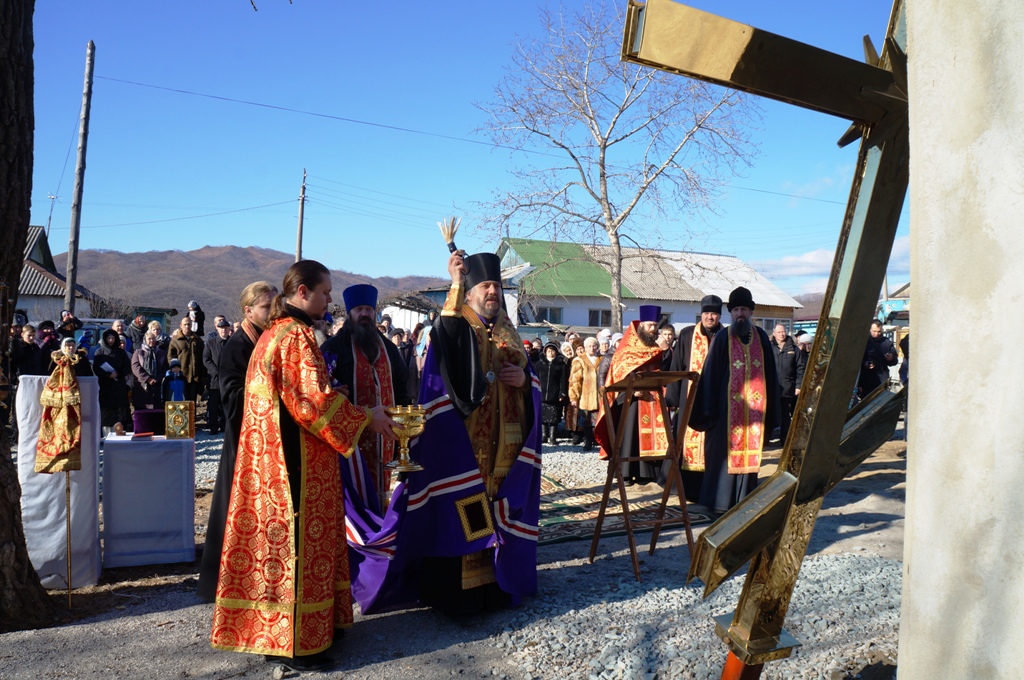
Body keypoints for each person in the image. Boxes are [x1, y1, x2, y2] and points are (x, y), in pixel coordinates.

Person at [211, 261, 397, 672]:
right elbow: (313, 403)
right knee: (297, 548)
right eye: (326, 291)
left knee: (283, 551)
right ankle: (301, 644)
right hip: (295, 463)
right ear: (301, 292)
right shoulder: (294, 336)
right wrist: (368, 417)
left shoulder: (274, 333)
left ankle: (298, 630)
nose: (331, 298)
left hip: (277, 460)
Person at [399, 249, 541, 617]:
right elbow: (446, 342)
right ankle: (459, 597)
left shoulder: (508, 329)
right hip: (464, 441)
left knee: (499, 508)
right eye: (485, 286)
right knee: (463, 510)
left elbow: (531, 375)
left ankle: (498, 585)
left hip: (505, 443)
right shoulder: (458, 321)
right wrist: (457, 283)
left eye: (496, 285)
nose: (492, 292)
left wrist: (525, 381)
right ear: (473, 291)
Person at [197, 280, 276, 603]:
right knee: (234, 507)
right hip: (242, 438)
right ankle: (224, 578)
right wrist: (274, 392)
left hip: (263, 435)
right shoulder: (238, 345)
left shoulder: (265, 339)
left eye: (274, 305)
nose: (271, 312)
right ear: (248, 310)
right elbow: (232, 396)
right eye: (265, 307)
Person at [689, 287, 780, 515]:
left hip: (755, 415)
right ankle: (720, 503)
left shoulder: (761, 338)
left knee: (751, 456)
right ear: (731, 313)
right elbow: (709, 376)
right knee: (722, 458)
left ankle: (745, 498)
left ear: (751, 312)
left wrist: (773, 412)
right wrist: (709, 411)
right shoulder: (722, 337)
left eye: (745, 310)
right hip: (724, 413)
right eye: (737, 309)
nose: (741, 313)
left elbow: (770, 374)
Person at [320, 284, 410, 513]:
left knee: (382, 496)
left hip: (385, 440)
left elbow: (402, 389)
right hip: (349, 441)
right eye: (359, 309)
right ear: (350, 313)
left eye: (368, 309)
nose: (364, 314)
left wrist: (405, 434)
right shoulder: (333, 348)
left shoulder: (389, 349)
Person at [594, 305, 666, 486]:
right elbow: (615, 380)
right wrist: (631, 391)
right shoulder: (626, 351)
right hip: (630, 402)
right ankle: (625, 473)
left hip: (653, 400)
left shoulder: (658, 349)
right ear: (641, 325)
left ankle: (648, 473)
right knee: (628, 435)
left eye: (655, 326)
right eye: (650, 325)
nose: (653, 329)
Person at [665, 294, 724, 500]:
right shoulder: (689, 334)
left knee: (712, 445)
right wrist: (672, 398)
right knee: (685, 442)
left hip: (715, 401)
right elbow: (677, 367)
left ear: (719, 316)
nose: (710, 317)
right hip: (689, 398)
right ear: (701, 314)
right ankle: (687, 488)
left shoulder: (725, 335)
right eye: (707, 313)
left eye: (714, 314)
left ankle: (711, 487)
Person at [771, 323, 806, 446]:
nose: (782, 334)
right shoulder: (769, 347)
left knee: (785, 415)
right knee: (770, 414)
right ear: (774, 333)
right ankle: (766, 440)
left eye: (783, 332)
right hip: (772, 388)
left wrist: (798, 386)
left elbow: (800, 369)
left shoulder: (794, 349)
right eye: (779, 332)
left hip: (788, 387)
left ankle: (784, 440)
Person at [93, 329, 132, 432]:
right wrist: (107, 374)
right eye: (109, 338)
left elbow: (127, 367)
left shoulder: (121, 352)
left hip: (119, 385)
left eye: (113, 338)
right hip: (106, 386)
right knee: (107, 412)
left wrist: (118, 373)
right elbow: (96, 368)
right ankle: (106, 434)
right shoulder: (99, 352)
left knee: (120, 412)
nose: (111, 340)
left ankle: (120, 433)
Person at [568, 337, 601, 451]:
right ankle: (588, 441)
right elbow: (575, 380)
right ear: (585, 347)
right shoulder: (579, 360)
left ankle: (598, 440)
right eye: (589, 346)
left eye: (594, 345)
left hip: (599, 396)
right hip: (585, 395)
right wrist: (574, 397)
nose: (592, 348)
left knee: (598, 420)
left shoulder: (602, 359)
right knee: (587, 421)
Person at [202, 318, 231, 434]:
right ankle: (213, 427)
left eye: (225, 328)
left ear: (229, 329)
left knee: (226, 405)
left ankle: (225, 427)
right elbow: (206, 359)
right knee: (213, 405)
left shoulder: (233, 342)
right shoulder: (211, 342)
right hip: (214, 380)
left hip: (228, 380)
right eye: (221, 328)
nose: (223, 330)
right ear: (217, 329)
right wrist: (215, 371)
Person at [536, 342, 569, 445]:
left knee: (554, 417)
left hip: (555, 395)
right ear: (545, 352)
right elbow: (536, 378)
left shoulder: (561, 364)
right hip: (542, 393)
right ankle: (544, 435)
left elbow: (563, 380)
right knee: (543, 417)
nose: (550, 353)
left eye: (553, 351)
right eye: (549, 351)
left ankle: (553, 436)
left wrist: (562, 393)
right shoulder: (539, 363)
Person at [168, 316, 205, 402]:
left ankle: (192, 416)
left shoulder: (198, 340)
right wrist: (175, 371)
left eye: (189, 324)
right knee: (181, 402)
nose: (187, 326)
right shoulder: (175, 341)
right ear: (181, 325)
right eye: (185, 324)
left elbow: (202, 359)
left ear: (192, 325)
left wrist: (202, 376)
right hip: (180, 377)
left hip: (194, 378)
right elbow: (170, 358)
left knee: (192, 403)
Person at [858, 319, 898, 399]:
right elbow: (856, 360)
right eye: (874, 331)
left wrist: (891, 358)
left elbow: (895, 361)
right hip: (866, 379)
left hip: (882, 379)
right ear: (870, 330)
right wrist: (864, 364)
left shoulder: (886, 343)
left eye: (879, 331)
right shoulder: (863, 342)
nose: (876, 334)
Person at [131, 330, 167, 410]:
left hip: (157, 385)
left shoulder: (161, 353)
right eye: (149, 339)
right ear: (145, 340)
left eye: (153, 339)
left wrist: (157, 379)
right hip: (142, 386)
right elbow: (135, 367)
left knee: (156, 410)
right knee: (142, 411)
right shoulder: (138, 352)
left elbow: (164, 368)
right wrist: (147, 378)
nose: (151, 341)